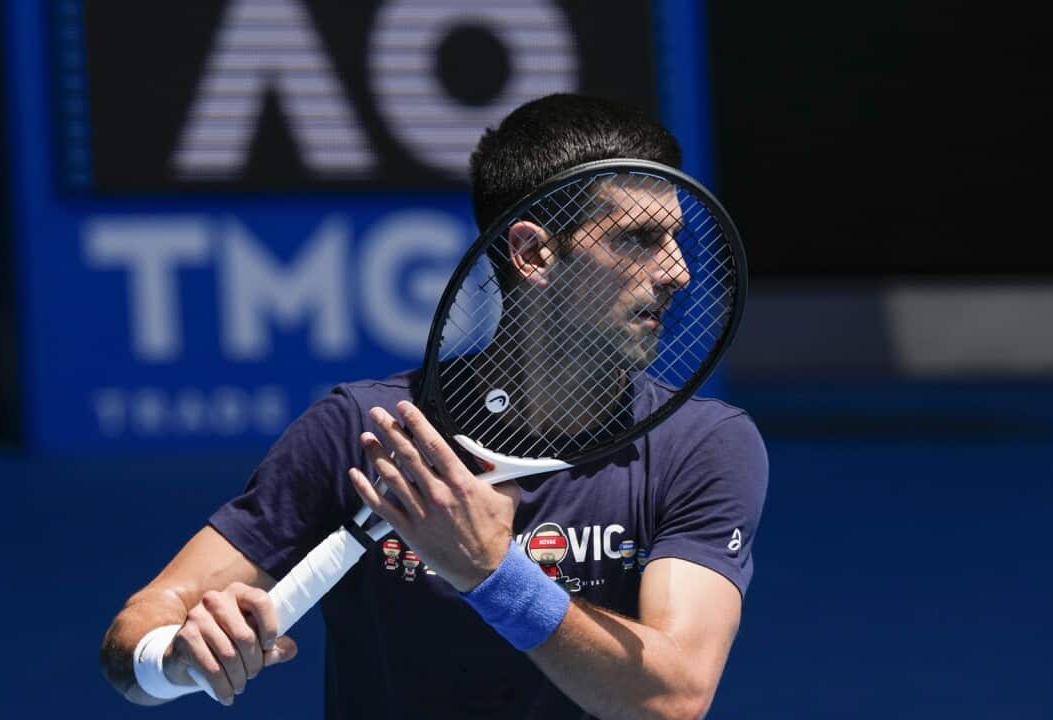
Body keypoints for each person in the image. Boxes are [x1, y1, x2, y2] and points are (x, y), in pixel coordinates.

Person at [100, 93, 768, 720]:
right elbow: (132, 644)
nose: (678, 270)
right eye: (636, 239)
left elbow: (675, 697)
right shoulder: (364, 434)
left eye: (676, 238)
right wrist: (178, 656)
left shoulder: (699, 445)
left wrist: (493, 574)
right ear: (534, 253)